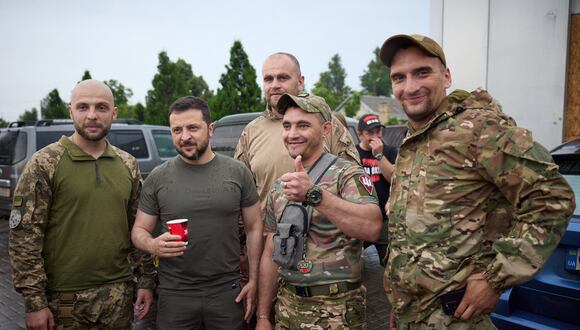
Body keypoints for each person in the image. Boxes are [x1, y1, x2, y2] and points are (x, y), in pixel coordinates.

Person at [379, 34, 575, 329]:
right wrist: (399, 301)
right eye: (399, 77)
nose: (410, 86)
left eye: (422, 72)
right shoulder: (414, 139)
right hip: (412, 314)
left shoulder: (479, 129)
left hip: (457, 318)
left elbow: (552, 199)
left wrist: (495, 279)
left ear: (446, 76)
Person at [9, 79, 155, 329]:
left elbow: (137, 228)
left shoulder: (127, 164)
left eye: (101, 107)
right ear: (70, 111)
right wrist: (35, 303)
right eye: (83, 107)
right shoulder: (46, 163)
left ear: (114, 112)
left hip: (118, 295)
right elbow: (25, 238)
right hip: (64, 300)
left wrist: (145, 281)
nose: (92, 115)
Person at [131, 96, 262, 330]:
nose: (185, 137)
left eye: (193, 127)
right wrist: (152, 245)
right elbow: (139, 230)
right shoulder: (158, 177)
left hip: (227, 291)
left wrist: (253, 279)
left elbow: (254, 227)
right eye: (177, 130)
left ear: (210, 129)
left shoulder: (238, 172)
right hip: (175, 293)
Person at [256, 93, 382, 329]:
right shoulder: (280, 186)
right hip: (287, 307)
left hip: (336, 311)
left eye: (303, 125)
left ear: (325, 130)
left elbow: (372, 227)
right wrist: (263, 315)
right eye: (287, 126)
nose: (292, 134)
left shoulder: (347, 174)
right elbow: (272, 250)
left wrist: (314, 195)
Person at [355, 114, 398, 266]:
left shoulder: (391, 151)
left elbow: (395, 179)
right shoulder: (353, 154)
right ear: (360, 134)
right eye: (370, 133)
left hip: (384, 219)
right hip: (359, 219)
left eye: (378, 131)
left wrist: (379, 155)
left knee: (389, 263)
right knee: (355, 262)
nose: (376, 136)